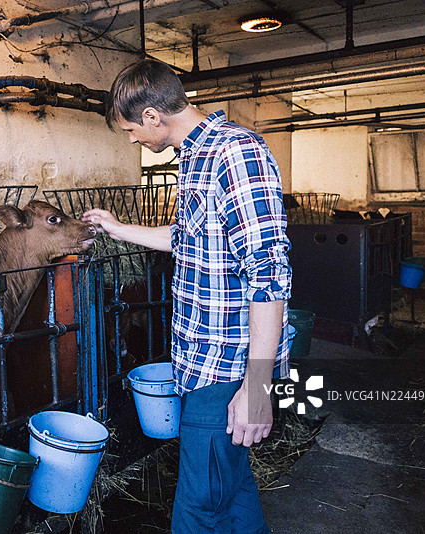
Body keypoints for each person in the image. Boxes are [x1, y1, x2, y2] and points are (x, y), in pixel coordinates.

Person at [83, 59, 291, 533]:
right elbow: (189, 238)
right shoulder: (196, 157)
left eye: (131, 130)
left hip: (228, 367)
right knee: (231, 489)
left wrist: (257, 387)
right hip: (201, 362)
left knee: (198, 507)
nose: (132, 140)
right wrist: (119, 228)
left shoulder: (236, 152)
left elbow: (269, 272)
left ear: (152, 116)